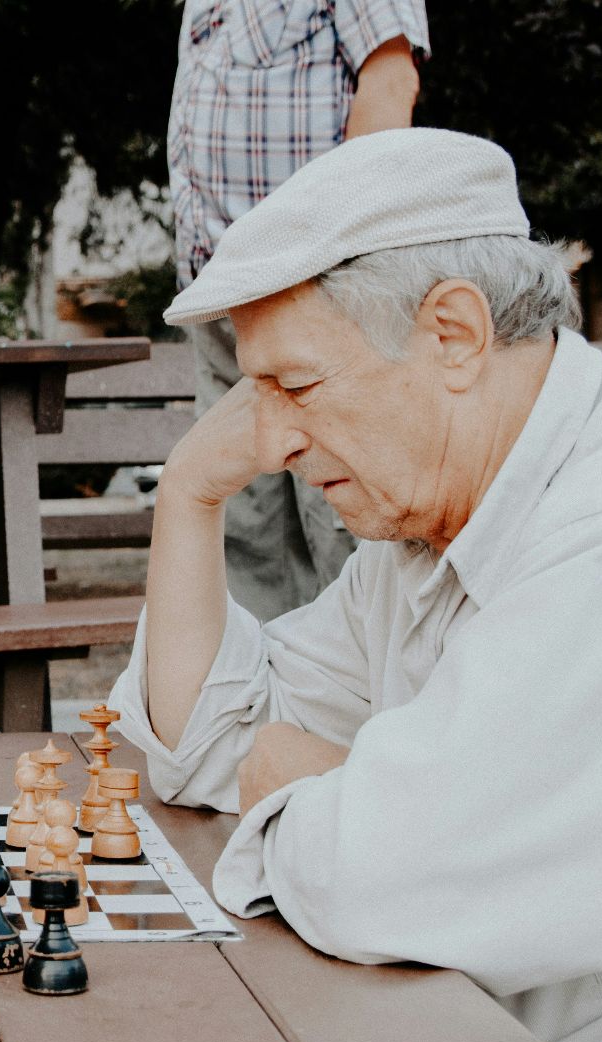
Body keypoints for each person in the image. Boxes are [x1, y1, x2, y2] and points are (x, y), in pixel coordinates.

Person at [108, 129, 602, 1042]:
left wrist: (319, 790)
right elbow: (206, 749)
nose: (272, 440)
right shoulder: (429, 520)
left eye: (295, 385)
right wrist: (187, 497)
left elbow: (393, 884)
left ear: (454, 335)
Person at [170, 0, 428, 621]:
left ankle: (363, 701)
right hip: (221, 290)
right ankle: (259, 701)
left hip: (315, 281)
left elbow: (391, 81)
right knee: (242, 515)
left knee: (342, 509)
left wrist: (341, 251)